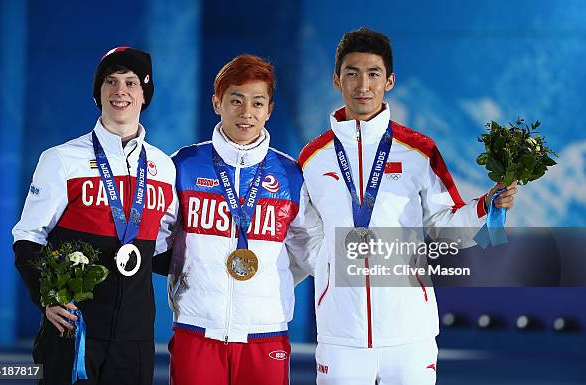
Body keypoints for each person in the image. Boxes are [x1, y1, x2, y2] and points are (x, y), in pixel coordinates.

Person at [298, 28, 518, 385]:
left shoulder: (418, 150)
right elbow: (304, 233)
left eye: (373, 74)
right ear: (336, 79)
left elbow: (443, 224)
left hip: (410, 331)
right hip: (341, 332)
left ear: (390, 81)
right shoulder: (312, 158)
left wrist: (484, 207)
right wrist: (329, 274)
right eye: (352, 73)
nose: (362, 85)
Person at [12, 47, 178, 385]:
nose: (120, 92)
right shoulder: (61, 159)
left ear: (145, 94)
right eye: (110, 82)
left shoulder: (164, 167)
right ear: (98, 92)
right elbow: (28, 238)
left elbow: (161, 250)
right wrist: (46, 298)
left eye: (131, 83)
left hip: (135, 336)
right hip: (73, 328)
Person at [167, 54, 320, 385]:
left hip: (266, 331)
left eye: (257, 102)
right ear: (217, 102)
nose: (246, 112)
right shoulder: (184, 165)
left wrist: (273, 280)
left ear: (269, 110)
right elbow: (159, 236)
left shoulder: (292, 175)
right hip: (197, 327)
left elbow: (309, 247)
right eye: (236, 100)